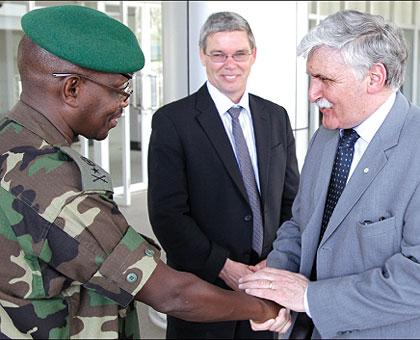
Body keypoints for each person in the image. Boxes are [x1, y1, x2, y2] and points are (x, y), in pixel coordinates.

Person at [0, 5, 286, 339]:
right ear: (73, 88)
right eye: (119, 90)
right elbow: (171, 293)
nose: (125, 104)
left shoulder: (12, 139)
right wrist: (264, 308)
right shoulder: (56, 186)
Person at [238, 9, 420, 339]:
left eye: (325, 80)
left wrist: (308, 297)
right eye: (311, 77)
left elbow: (416, 280)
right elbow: (299, 224)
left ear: (374, 78)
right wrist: (273, 290)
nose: (311, 94)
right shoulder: (327, 134)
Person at [147, 11, 299, 339]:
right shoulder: (172, 121)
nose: (230, 63)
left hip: (265, 289)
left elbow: (291, 201)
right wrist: (223, 267)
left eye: (239, 53)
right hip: (204, 294)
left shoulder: (276, 117)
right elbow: (167, 215)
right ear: (202, 55)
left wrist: (276, 258)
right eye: (218, 54)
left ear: (253, 55)